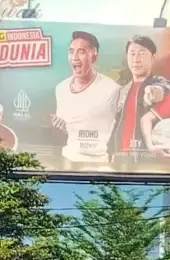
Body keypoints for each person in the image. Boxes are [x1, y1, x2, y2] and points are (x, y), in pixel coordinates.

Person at [52, 30, 121, 163]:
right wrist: (59, 127)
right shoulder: (61, 88)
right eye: (71, 51)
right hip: (67, 160)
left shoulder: (112, 89)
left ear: (94, 58)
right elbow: (69, 129)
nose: (75, 57)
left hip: (99, 162)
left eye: (81, 52)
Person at [112, 34, 170, 163]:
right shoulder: (122, 90)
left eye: (142, 53)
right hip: (120, 159)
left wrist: (155, 92)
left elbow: (165, 89)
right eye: (132, 54)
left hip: (147, 159)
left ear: (153, 58)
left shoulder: (159, 82)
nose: (136, 59)